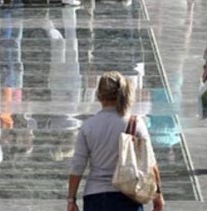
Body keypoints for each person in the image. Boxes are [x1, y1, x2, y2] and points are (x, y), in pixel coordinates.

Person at [67, 71, 164, 211]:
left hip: (95, 196)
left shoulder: (88, 126)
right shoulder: (135, 123)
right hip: (128, 194)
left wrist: (71, 199)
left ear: (99, 96)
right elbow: (151, 163)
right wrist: (158, 195)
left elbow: (78, 166)